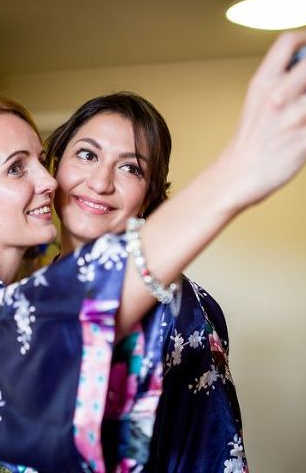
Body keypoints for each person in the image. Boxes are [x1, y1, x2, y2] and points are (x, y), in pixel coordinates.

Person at [0, 29, 306, 472]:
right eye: (17, 168)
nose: (49, 183)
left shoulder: (176, 308)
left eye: (130, 168)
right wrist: (238, 172)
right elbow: (37, 341)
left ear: (151, 193)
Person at [43, 92, 247, 472]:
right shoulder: (26, 296)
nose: (100, 182)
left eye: (130, 168)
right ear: (55, 164)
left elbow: (214, 454)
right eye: (87, 154)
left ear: (150, 195)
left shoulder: (184, 310)